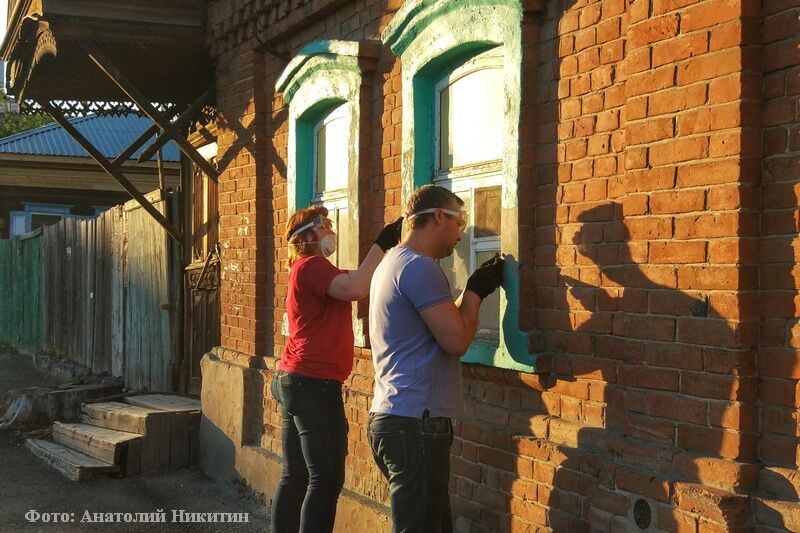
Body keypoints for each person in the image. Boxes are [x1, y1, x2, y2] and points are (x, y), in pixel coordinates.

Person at [367, 185, 504, 532]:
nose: (462, 235)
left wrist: (471, 294)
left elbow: (439, 326)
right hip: (416, 423)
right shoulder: (419, 268)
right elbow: (456, 339)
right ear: (440, 216)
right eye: (460, 222)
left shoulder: (392, 262)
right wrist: (474, 292)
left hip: (395, 416)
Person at [270, 205, 403, 533]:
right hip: (313, 385)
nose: (331, 230)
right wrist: (382, 243)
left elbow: (359, 279)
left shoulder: (311, 270)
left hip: (295, 380)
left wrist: (385, 258)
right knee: (325, 479)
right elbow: (356, 288)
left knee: (296, 476)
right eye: (324, 226)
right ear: (307, 236)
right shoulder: (313, 266)